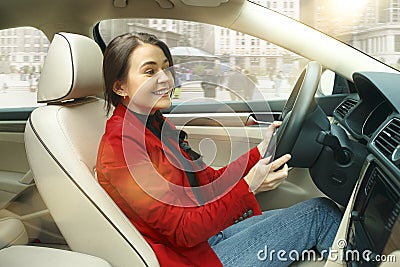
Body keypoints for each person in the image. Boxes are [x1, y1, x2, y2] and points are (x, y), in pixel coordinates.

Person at [96, 32, 341, 267]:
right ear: (120, 88)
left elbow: (207, 181)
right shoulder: (122, 147)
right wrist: (249, 186)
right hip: (192, 259)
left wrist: (261, 150)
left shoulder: (155, 124)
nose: (165, 78)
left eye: (165, 67)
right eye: (150, 71)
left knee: (322, 208)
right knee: (319, 215)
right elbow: (183, 231)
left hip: (206, 242)